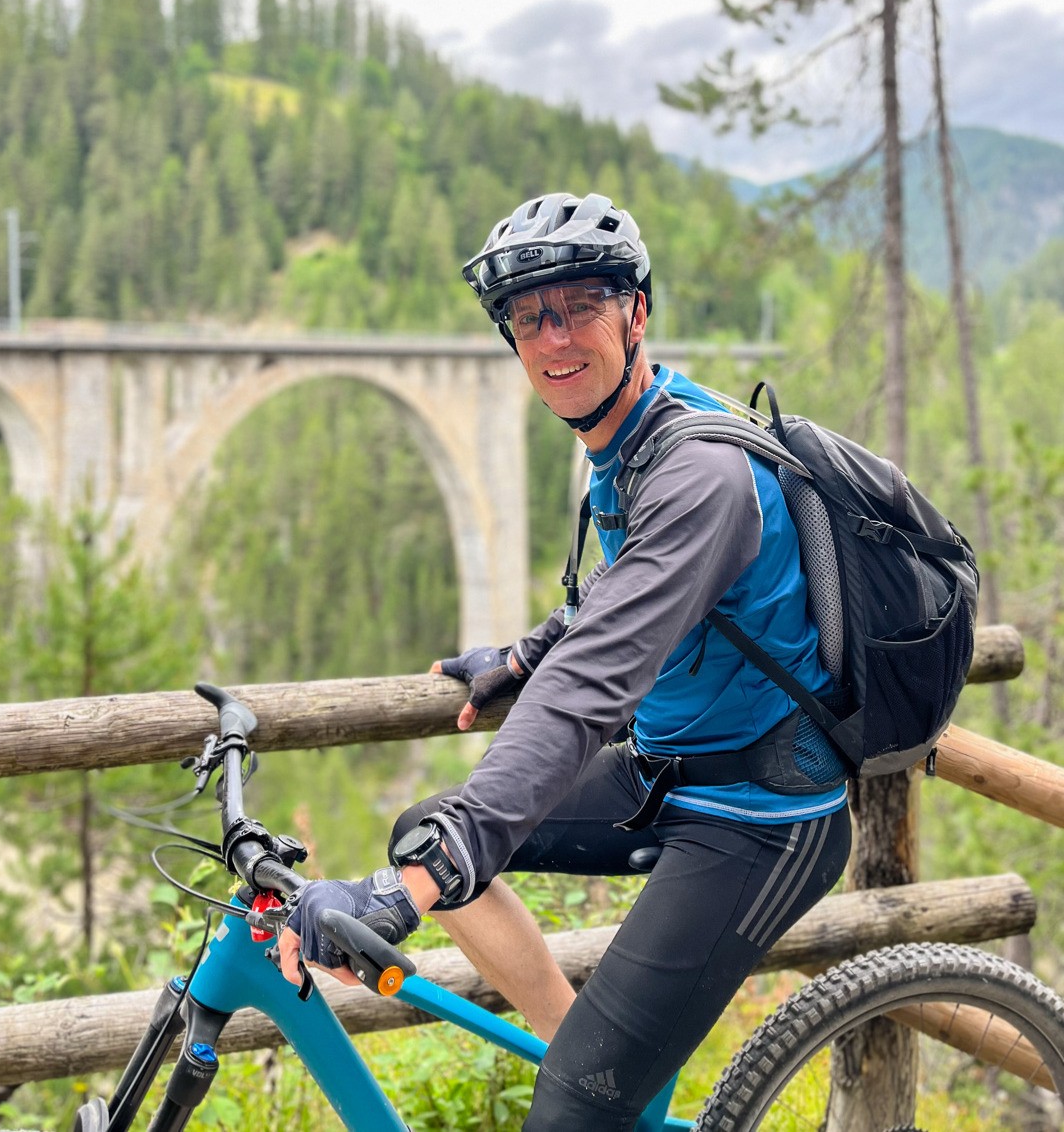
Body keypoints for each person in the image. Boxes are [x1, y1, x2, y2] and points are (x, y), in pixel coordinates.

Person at [281, 192, 852, 1129]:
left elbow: (591, 687)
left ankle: (588, 1094)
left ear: (636, 314)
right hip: (672, 771)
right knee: (427, 831)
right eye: (529, 317)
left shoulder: (701, 475)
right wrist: (524, 652)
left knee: (561, 1101)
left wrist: (412, 889)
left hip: (762, 817)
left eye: (581, 306)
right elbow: (618, 596)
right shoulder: (628, 440)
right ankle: (592, 1070)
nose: (554, 339)